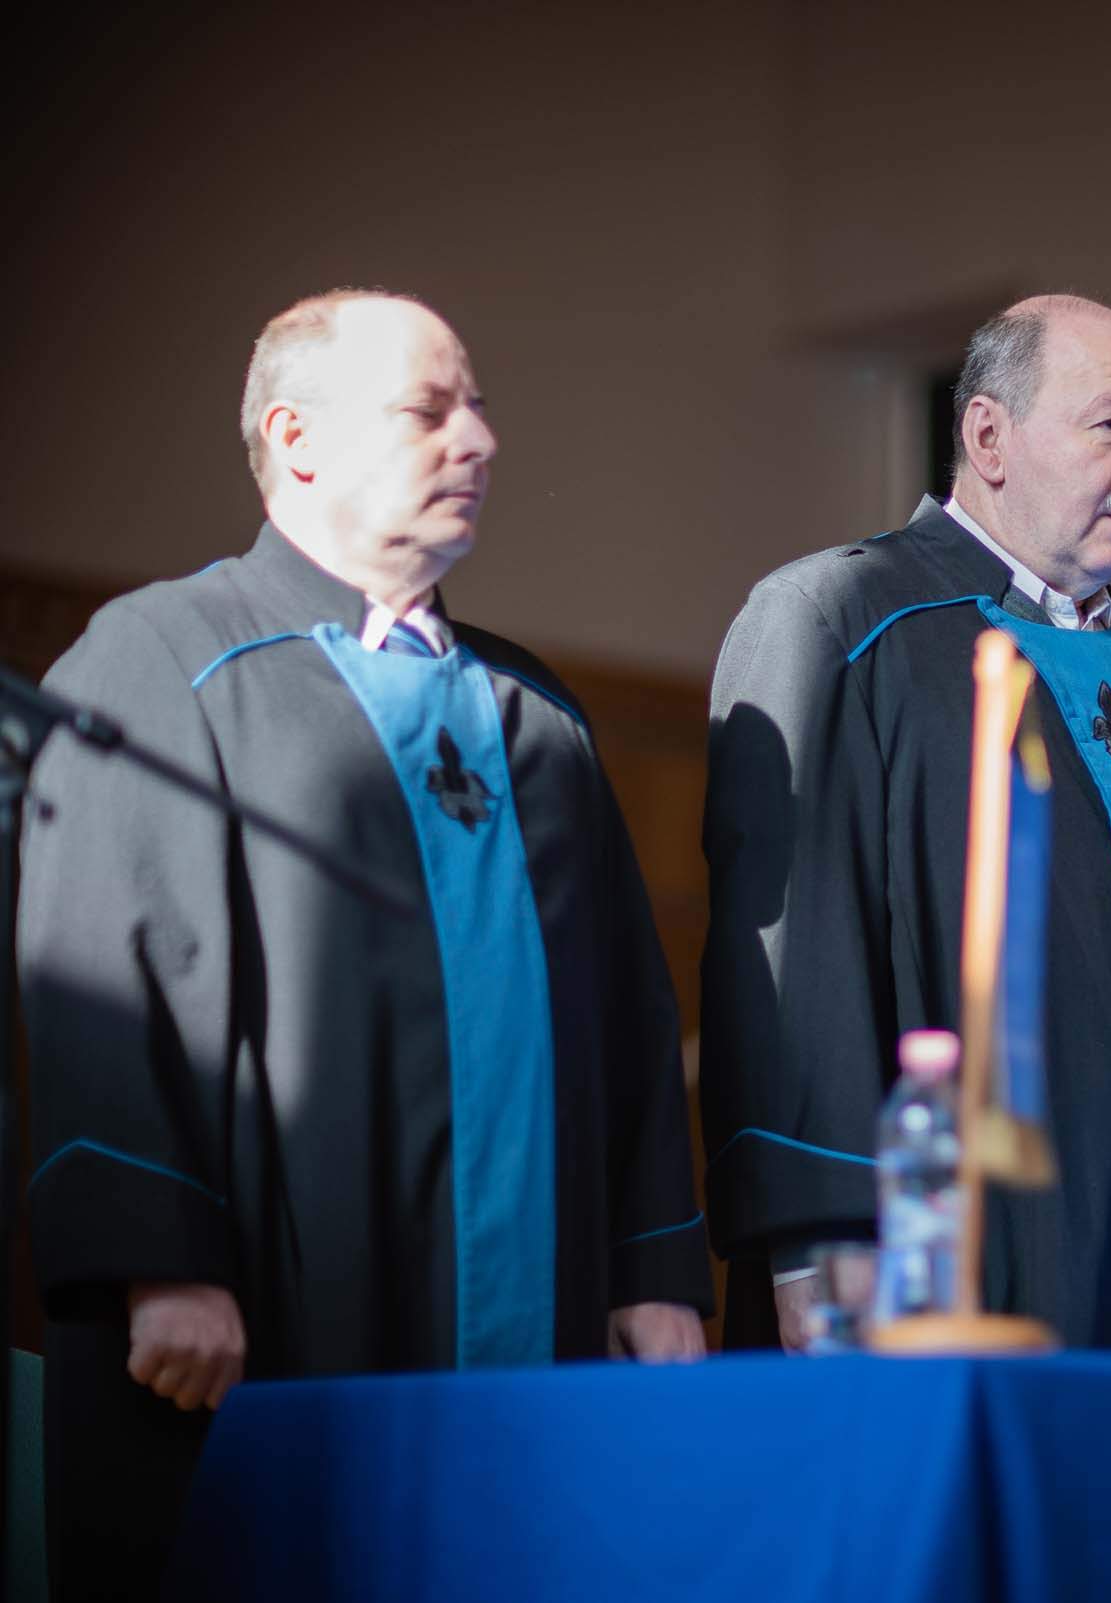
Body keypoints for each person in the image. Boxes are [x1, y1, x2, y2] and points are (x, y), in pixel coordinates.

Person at [17, 290, 712, 1598]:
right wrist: (158, 1257)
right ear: (297, 439)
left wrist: (655, 1266)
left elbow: (625, 1011)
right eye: (427, 410)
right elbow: (103, 971)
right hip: (273, 1309)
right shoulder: (161, 657)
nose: (478, 440)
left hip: (542, 1313)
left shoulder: (535, 710)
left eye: (479, 408)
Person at [700, 294, 1111, 1358]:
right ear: (988, 437)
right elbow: (791, 958)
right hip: (953, 1242)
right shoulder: (839, 621)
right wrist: (814, 1238)